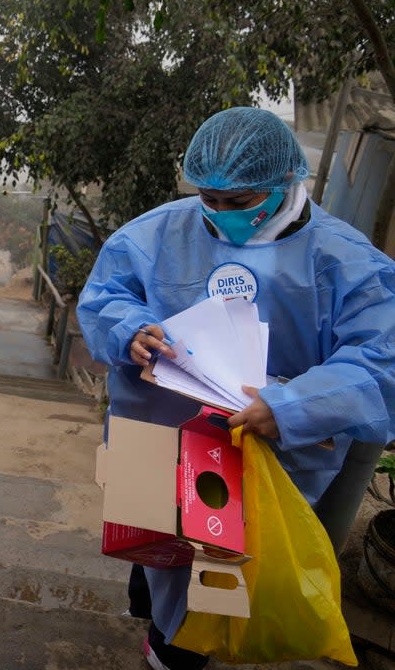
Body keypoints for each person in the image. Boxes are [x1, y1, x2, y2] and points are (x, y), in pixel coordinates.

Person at [76, 106, 395, 670]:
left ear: (284, 183)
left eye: (240, 201)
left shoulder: (347, 261)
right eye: (211, 199)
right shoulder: (157, 233)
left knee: (235, 569)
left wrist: (292, 405)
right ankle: (168, 649)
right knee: (165, 564)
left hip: (277, 461)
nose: (222, 215)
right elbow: (106, 296)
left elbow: (380, 360)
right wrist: (130, 331)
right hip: (169, 446)